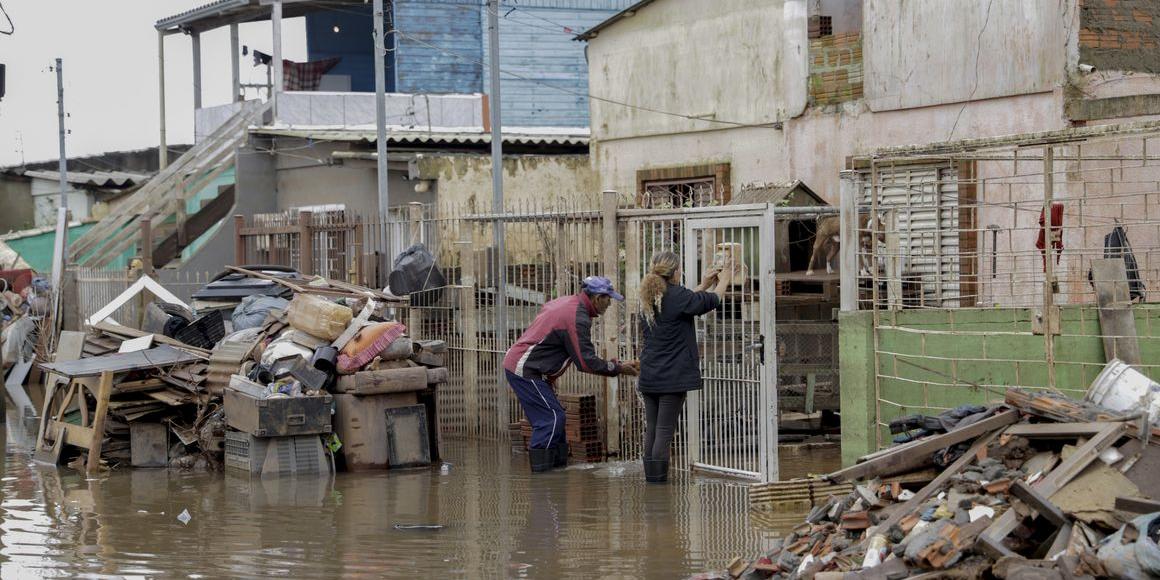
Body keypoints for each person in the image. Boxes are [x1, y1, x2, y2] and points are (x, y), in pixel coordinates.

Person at [503, 276, 640, 473]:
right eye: (608, 298)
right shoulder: (577, 316)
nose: (610, 304)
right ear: (597, 298)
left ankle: (557, 473)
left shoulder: (570, 305)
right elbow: (585, 362)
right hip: (525, 369)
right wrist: (619, 369)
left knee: (557, 419)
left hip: (532, 368)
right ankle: (542, 480)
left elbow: (554, 344)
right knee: (552, 419)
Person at [637, 252, 730, 483]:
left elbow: (684, 304)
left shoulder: (651, 296)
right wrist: (726, 279)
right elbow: (712, 301)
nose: (681, 273)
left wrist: (705, 284)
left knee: (653, 428)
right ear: (675, 272)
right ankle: (658, 486)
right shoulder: (677, 296)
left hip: (650, 375)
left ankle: (652, 481)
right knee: (665, 430)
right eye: (680, 269)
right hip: (672, 377)